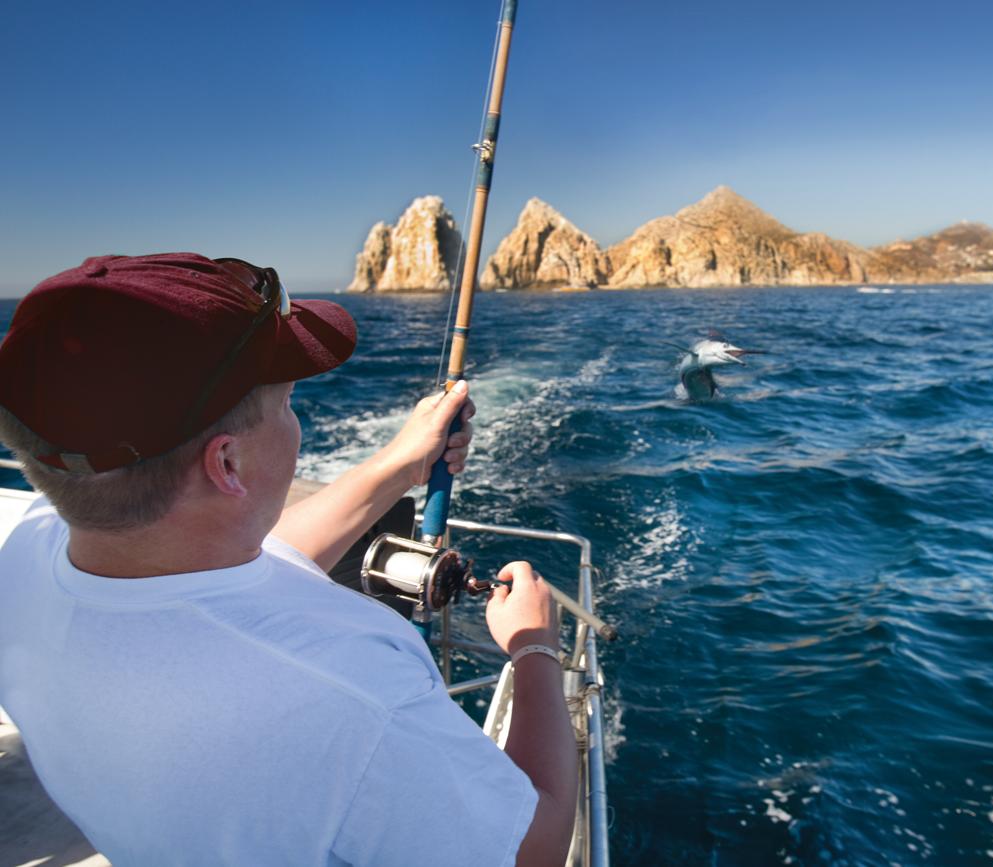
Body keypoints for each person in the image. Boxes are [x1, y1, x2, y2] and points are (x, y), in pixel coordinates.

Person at [0, 253, 577, 865]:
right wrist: (534, 650)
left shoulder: (27, 554)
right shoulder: (351, 701)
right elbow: (531, 848)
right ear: (227, 465)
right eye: (287, 406)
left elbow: (241, 579)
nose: (293, 422)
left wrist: (399, 463)